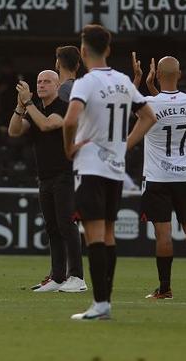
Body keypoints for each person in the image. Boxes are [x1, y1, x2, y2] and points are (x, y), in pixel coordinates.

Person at [62, 25, 156, 321]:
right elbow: (148, 116)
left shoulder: (86, 83)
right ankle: (106, 302)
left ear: (85, 51)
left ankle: (100, 304)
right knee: (110, 235)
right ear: (109, 49)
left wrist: (70, 148)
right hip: (115, 169)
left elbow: (69, 120)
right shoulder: (124, 81)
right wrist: (124, 145)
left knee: (94, 236)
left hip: (90, 167)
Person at [131, 55, 186, 300]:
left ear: (158, 76)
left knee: (163, 233)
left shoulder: (150, 102)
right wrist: (156, 86)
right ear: (180, 74)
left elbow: (133, 106)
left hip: (157, 177)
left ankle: (165, 288)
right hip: (185, 176)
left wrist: (139, 79)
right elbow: (171, 105)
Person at [8, 70, 86, 294]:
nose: (41, 85)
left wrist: (29, 102)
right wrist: (20, 107)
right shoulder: (34, 110)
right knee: (52, 228)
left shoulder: (64, 106)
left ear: (57, 85)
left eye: (47, 82)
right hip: (45, 177)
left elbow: (46, 125)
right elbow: (14, 131)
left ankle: (77, 277)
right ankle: (58, 277)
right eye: (39, 82)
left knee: (66, 225)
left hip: (65, 175)